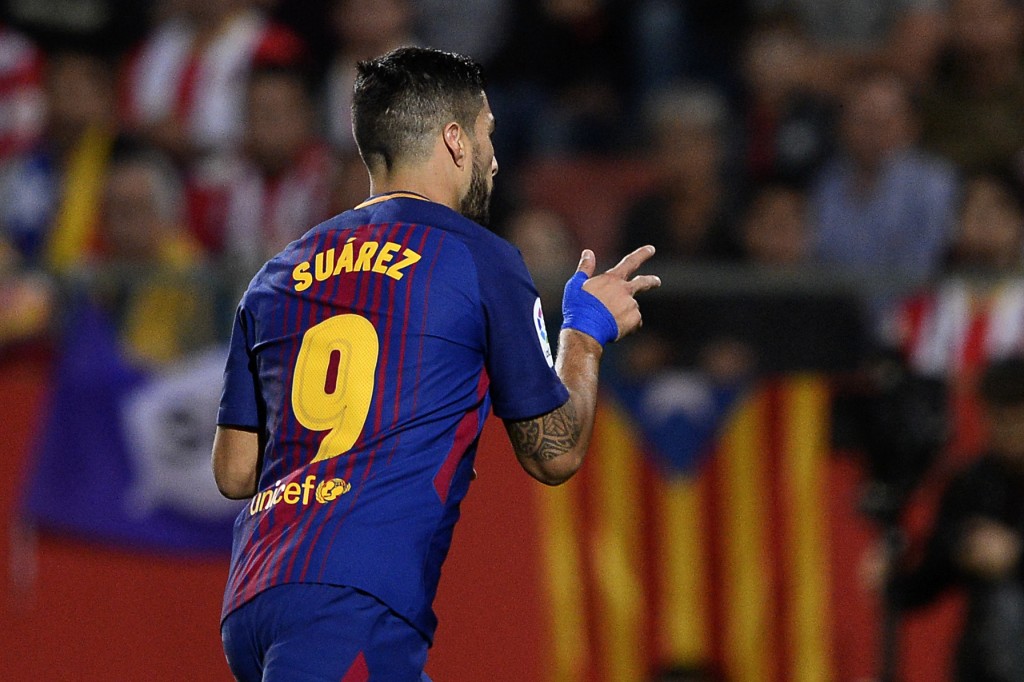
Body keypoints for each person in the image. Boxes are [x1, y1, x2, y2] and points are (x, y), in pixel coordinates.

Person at [212, 46, 660, 680]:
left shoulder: (272, 278)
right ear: (455, 139)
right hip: (356, 599)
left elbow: (235, 470)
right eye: (487, 134)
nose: (494, 158)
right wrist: (585, 335)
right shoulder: (478, 258)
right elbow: (554, 452)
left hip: (254, 594)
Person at [865, 356, 1024, 681]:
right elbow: (935, 571)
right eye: (995, 418)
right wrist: (894, 580)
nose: (1003, 432)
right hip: (987, 662)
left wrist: (1016, 557)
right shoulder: (973, 483)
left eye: (1014, 420)